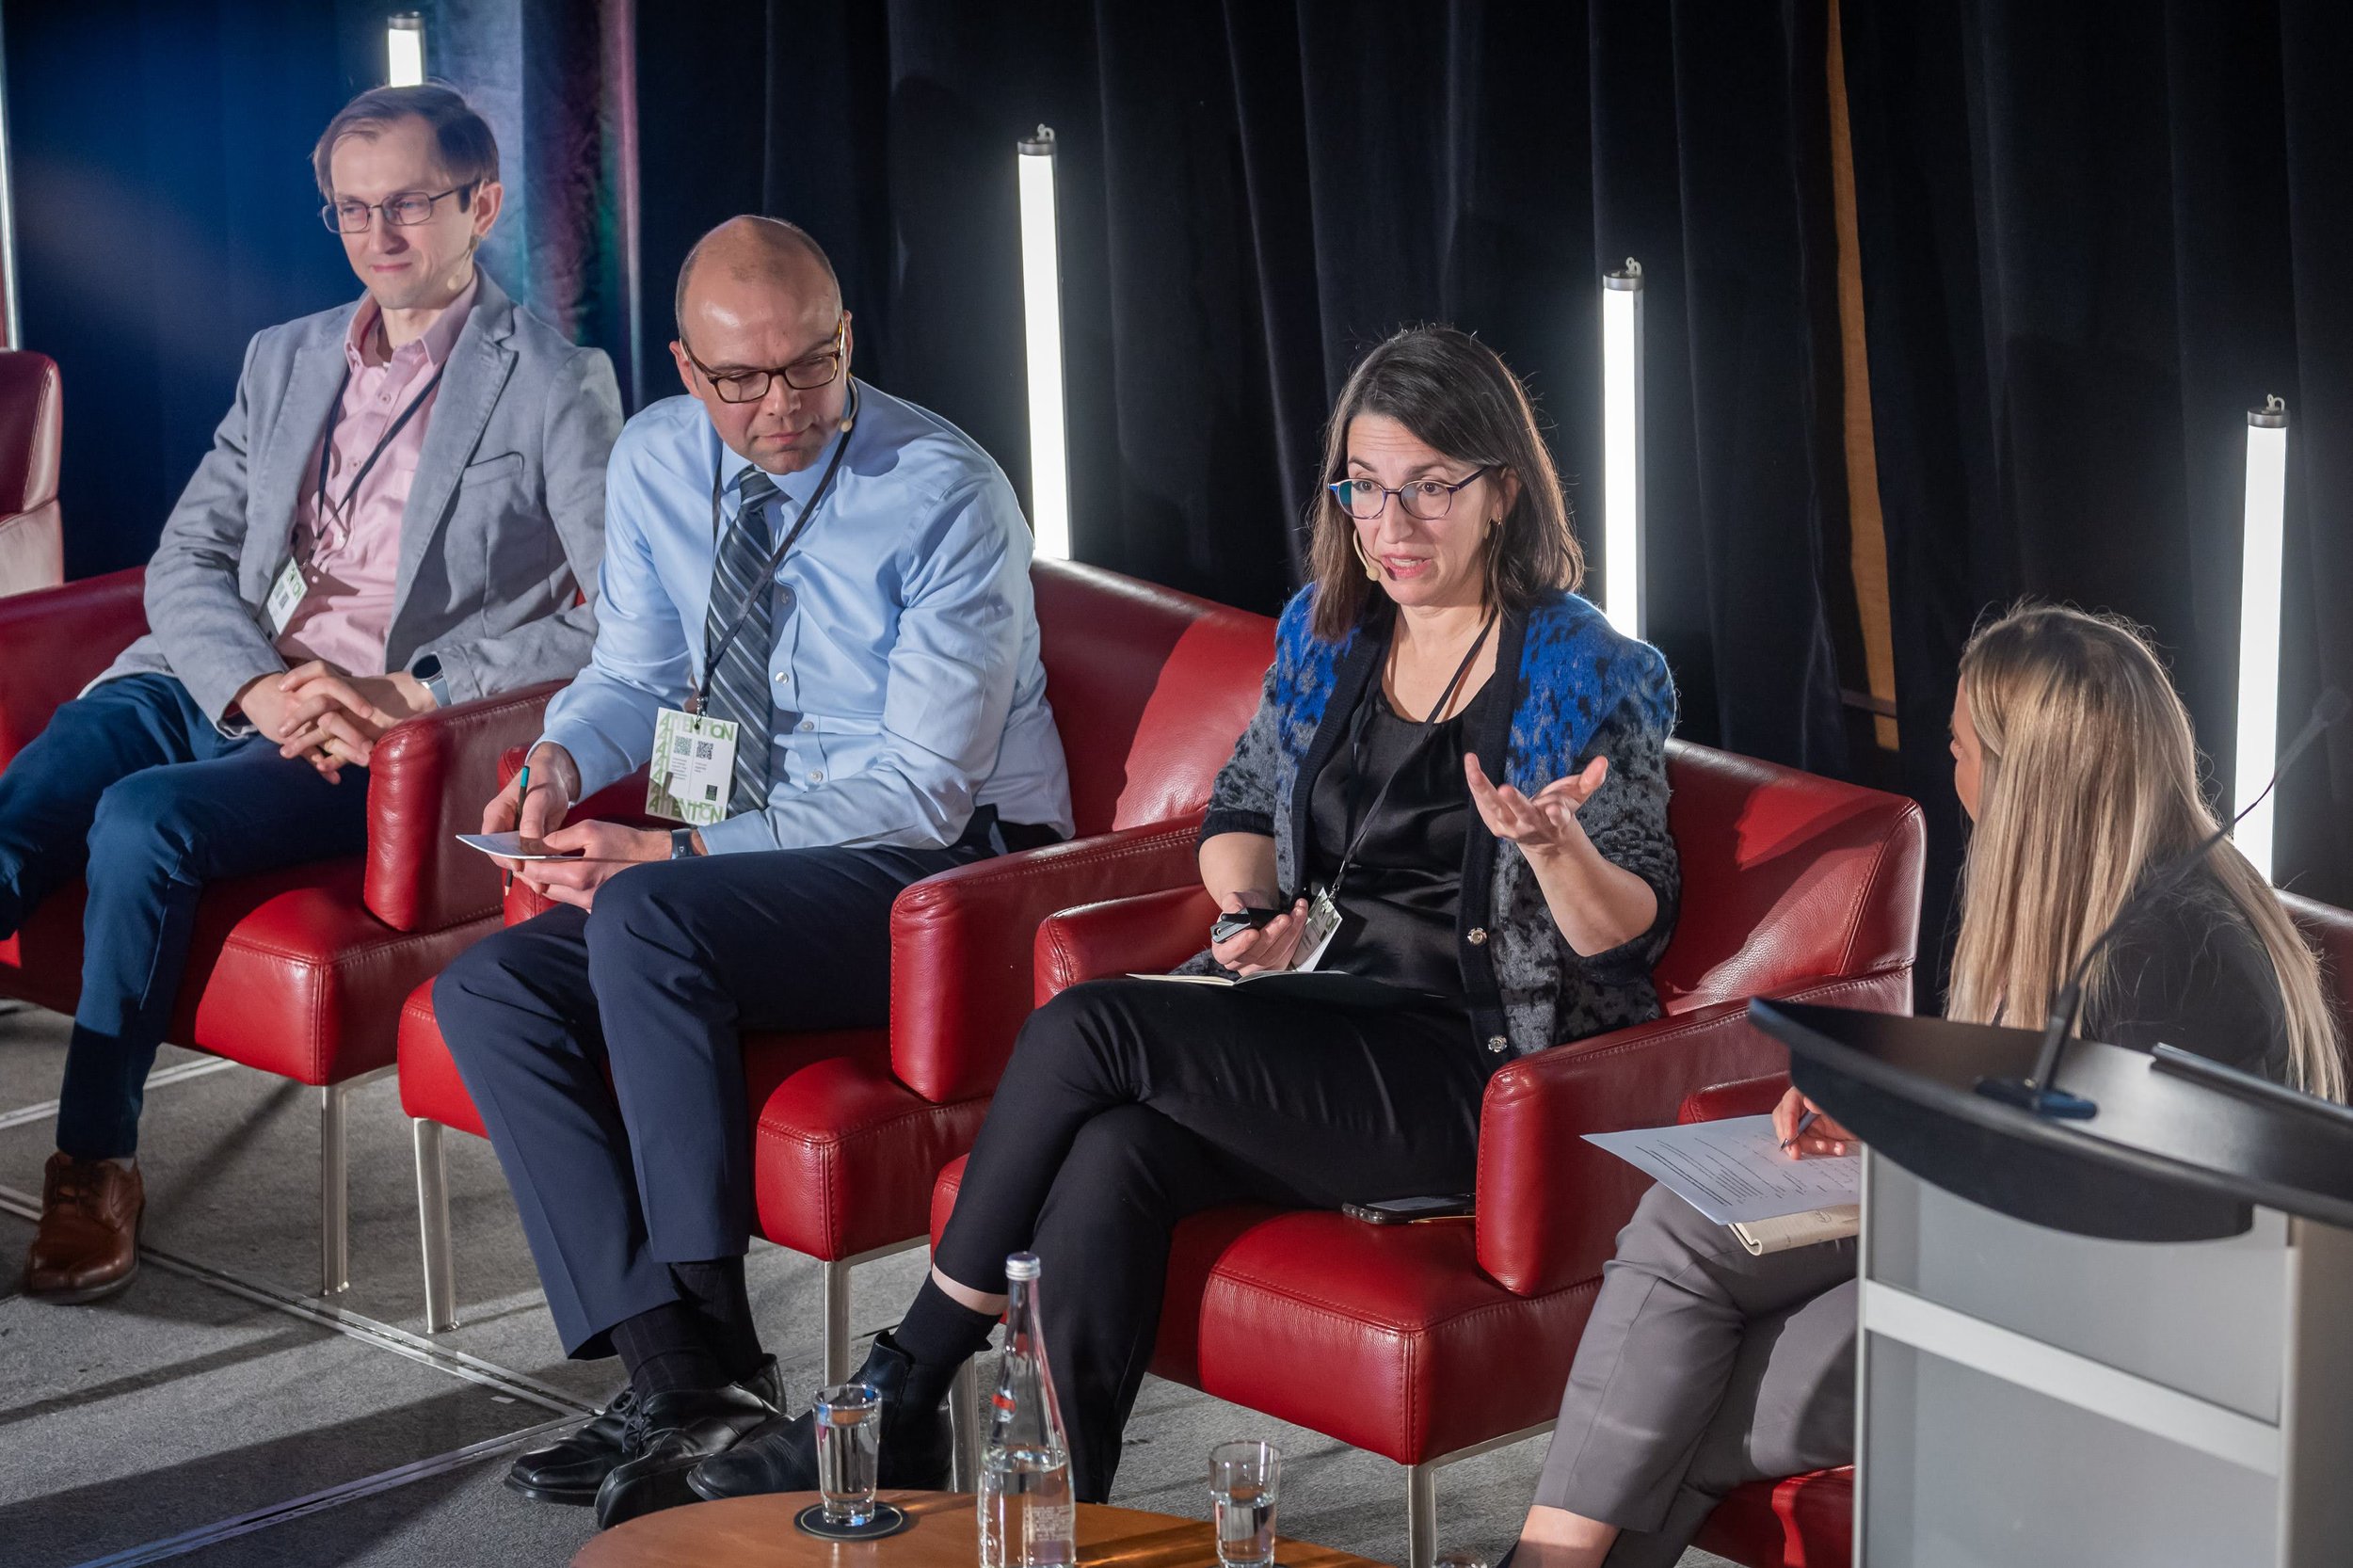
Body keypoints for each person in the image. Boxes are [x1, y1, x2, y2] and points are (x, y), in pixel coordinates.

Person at [687, 324, 1684, 1510]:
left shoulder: (1592, 672)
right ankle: (1057, 1516)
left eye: (1429, 487)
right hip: (1318, 1023)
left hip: (1475, 1074)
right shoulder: (1330, 630)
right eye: (1365, 489)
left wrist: (1555, 846)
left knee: (1088, 1029)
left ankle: (903, 1387)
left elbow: (1628, 934)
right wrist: (1253, 905)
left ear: (1502, 491)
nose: (1393, 524)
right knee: (1116, 1154)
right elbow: (1241, 805)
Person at [431, 215, 1073, 1528]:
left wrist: (675, 846)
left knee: (651, 913)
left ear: (847, 342)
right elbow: (636, 672)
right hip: (732, 856)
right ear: (683, 366)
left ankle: (705, 1358)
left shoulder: (946, 490)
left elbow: (922, 787)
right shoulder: (660, 458)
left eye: (812, 368)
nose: (782, 407)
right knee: (491, 987)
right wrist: (558, 761)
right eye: (743, 380)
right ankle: (688, 1380)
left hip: (937, 880)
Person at [1512, 602, 2345, 1568]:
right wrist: (1884, 1116)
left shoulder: (2167, 956)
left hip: (2096, 1331)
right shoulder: (2101, 893)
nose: (1949, 772)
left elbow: (2101, 1225)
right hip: (2005, 1257)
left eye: (1957, 748)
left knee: (1689, 1395)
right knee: (1680, 1223)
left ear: (2019, 773)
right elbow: (2025, 1126)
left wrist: (1909, 1148)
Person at [8, 84, 618, 1304]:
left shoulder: (560, 383)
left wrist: (413, 688)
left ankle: (92, 1162)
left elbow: (612, 620)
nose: (377, 235)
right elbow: (185, 557)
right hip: (213, 676)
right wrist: (253, 681)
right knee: (31, 801)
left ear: (482, 204)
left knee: (142, 822)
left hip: (369, 735)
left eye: (406, 206)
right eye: (351, 210)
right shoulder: (283, 356)